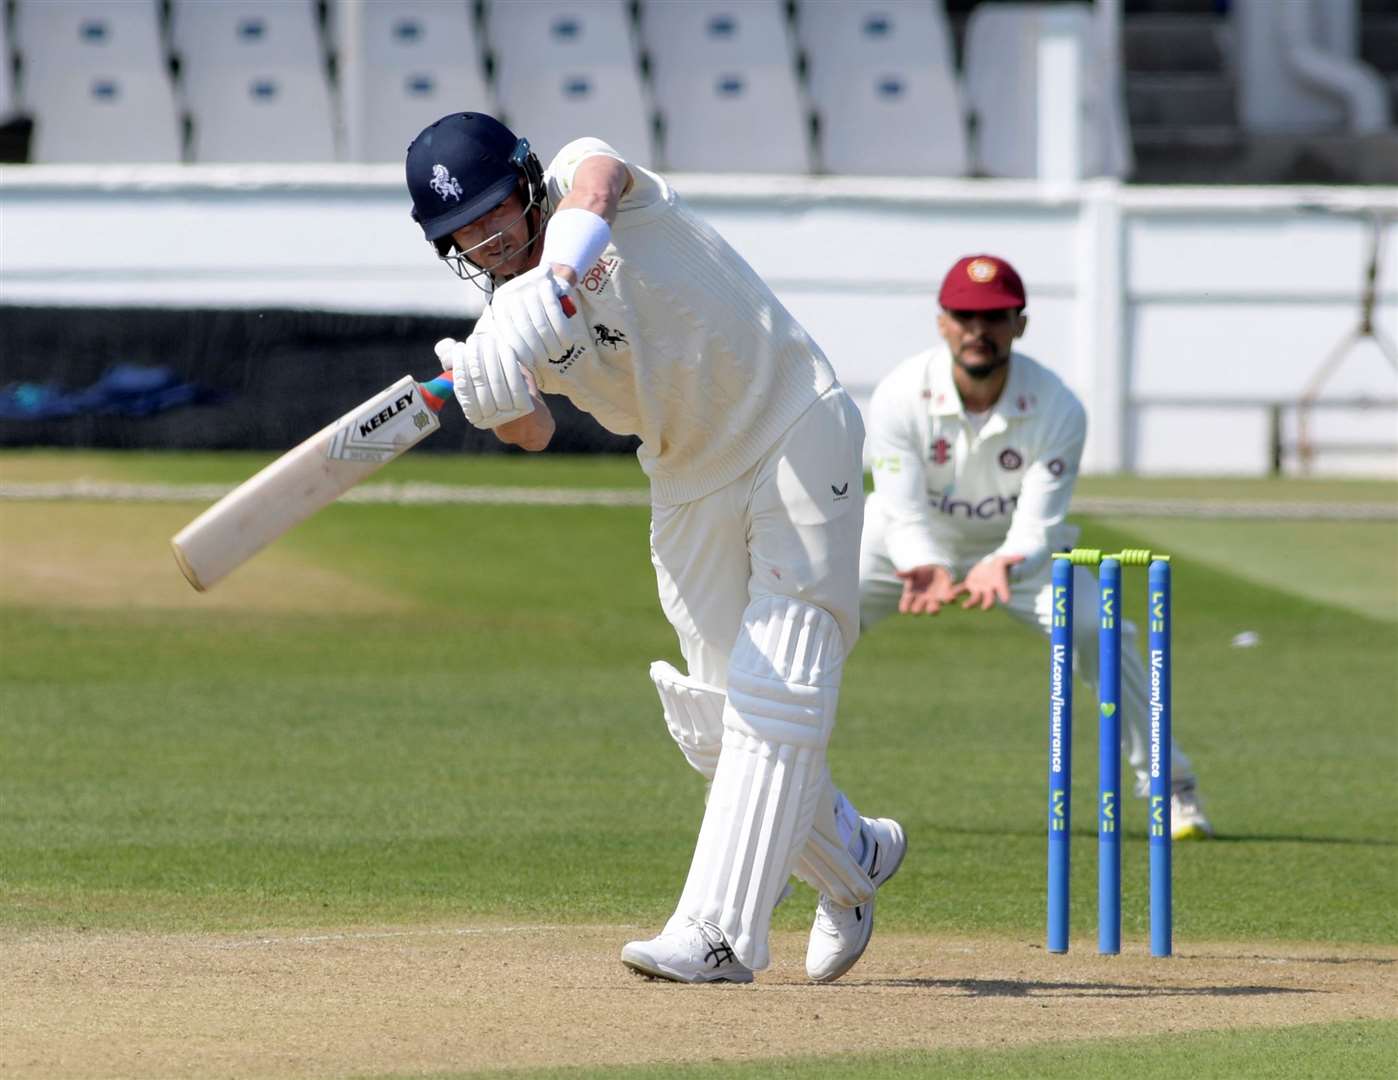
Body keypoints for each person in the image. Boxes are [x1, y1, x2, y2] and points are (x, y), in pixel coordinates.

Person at [404, 112, 906, 984]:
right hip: (682, 478)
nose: (488, 241)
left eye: (495, 214)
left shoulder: (582, 181)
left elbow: (599, 183)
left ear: (525, 186)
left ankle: (720, 934)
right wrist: (492, 391)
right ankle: (852, 861)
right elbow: (532, 433)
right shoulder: (500, 318)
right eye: (466, 236)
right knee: (714, 725)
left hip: (793, 421)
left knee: (777, 681)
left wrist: (556, 275)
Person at [859, 254, 1213, 839]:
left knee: (1098, 629)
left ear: (1019, 323)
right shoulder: (900, 394)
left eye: (995, 316)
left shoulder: (1057, 405)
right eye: (965, 316)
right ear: (942, 321)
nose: (979, 330)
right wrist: (925, 562)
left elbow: (1040, 521)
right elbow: (899, 507)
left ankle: (1171, 787)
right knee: (814, 613)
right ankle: (780, 785)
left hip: (1019, 556)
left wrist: (1004, 561)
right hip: (903, 547)